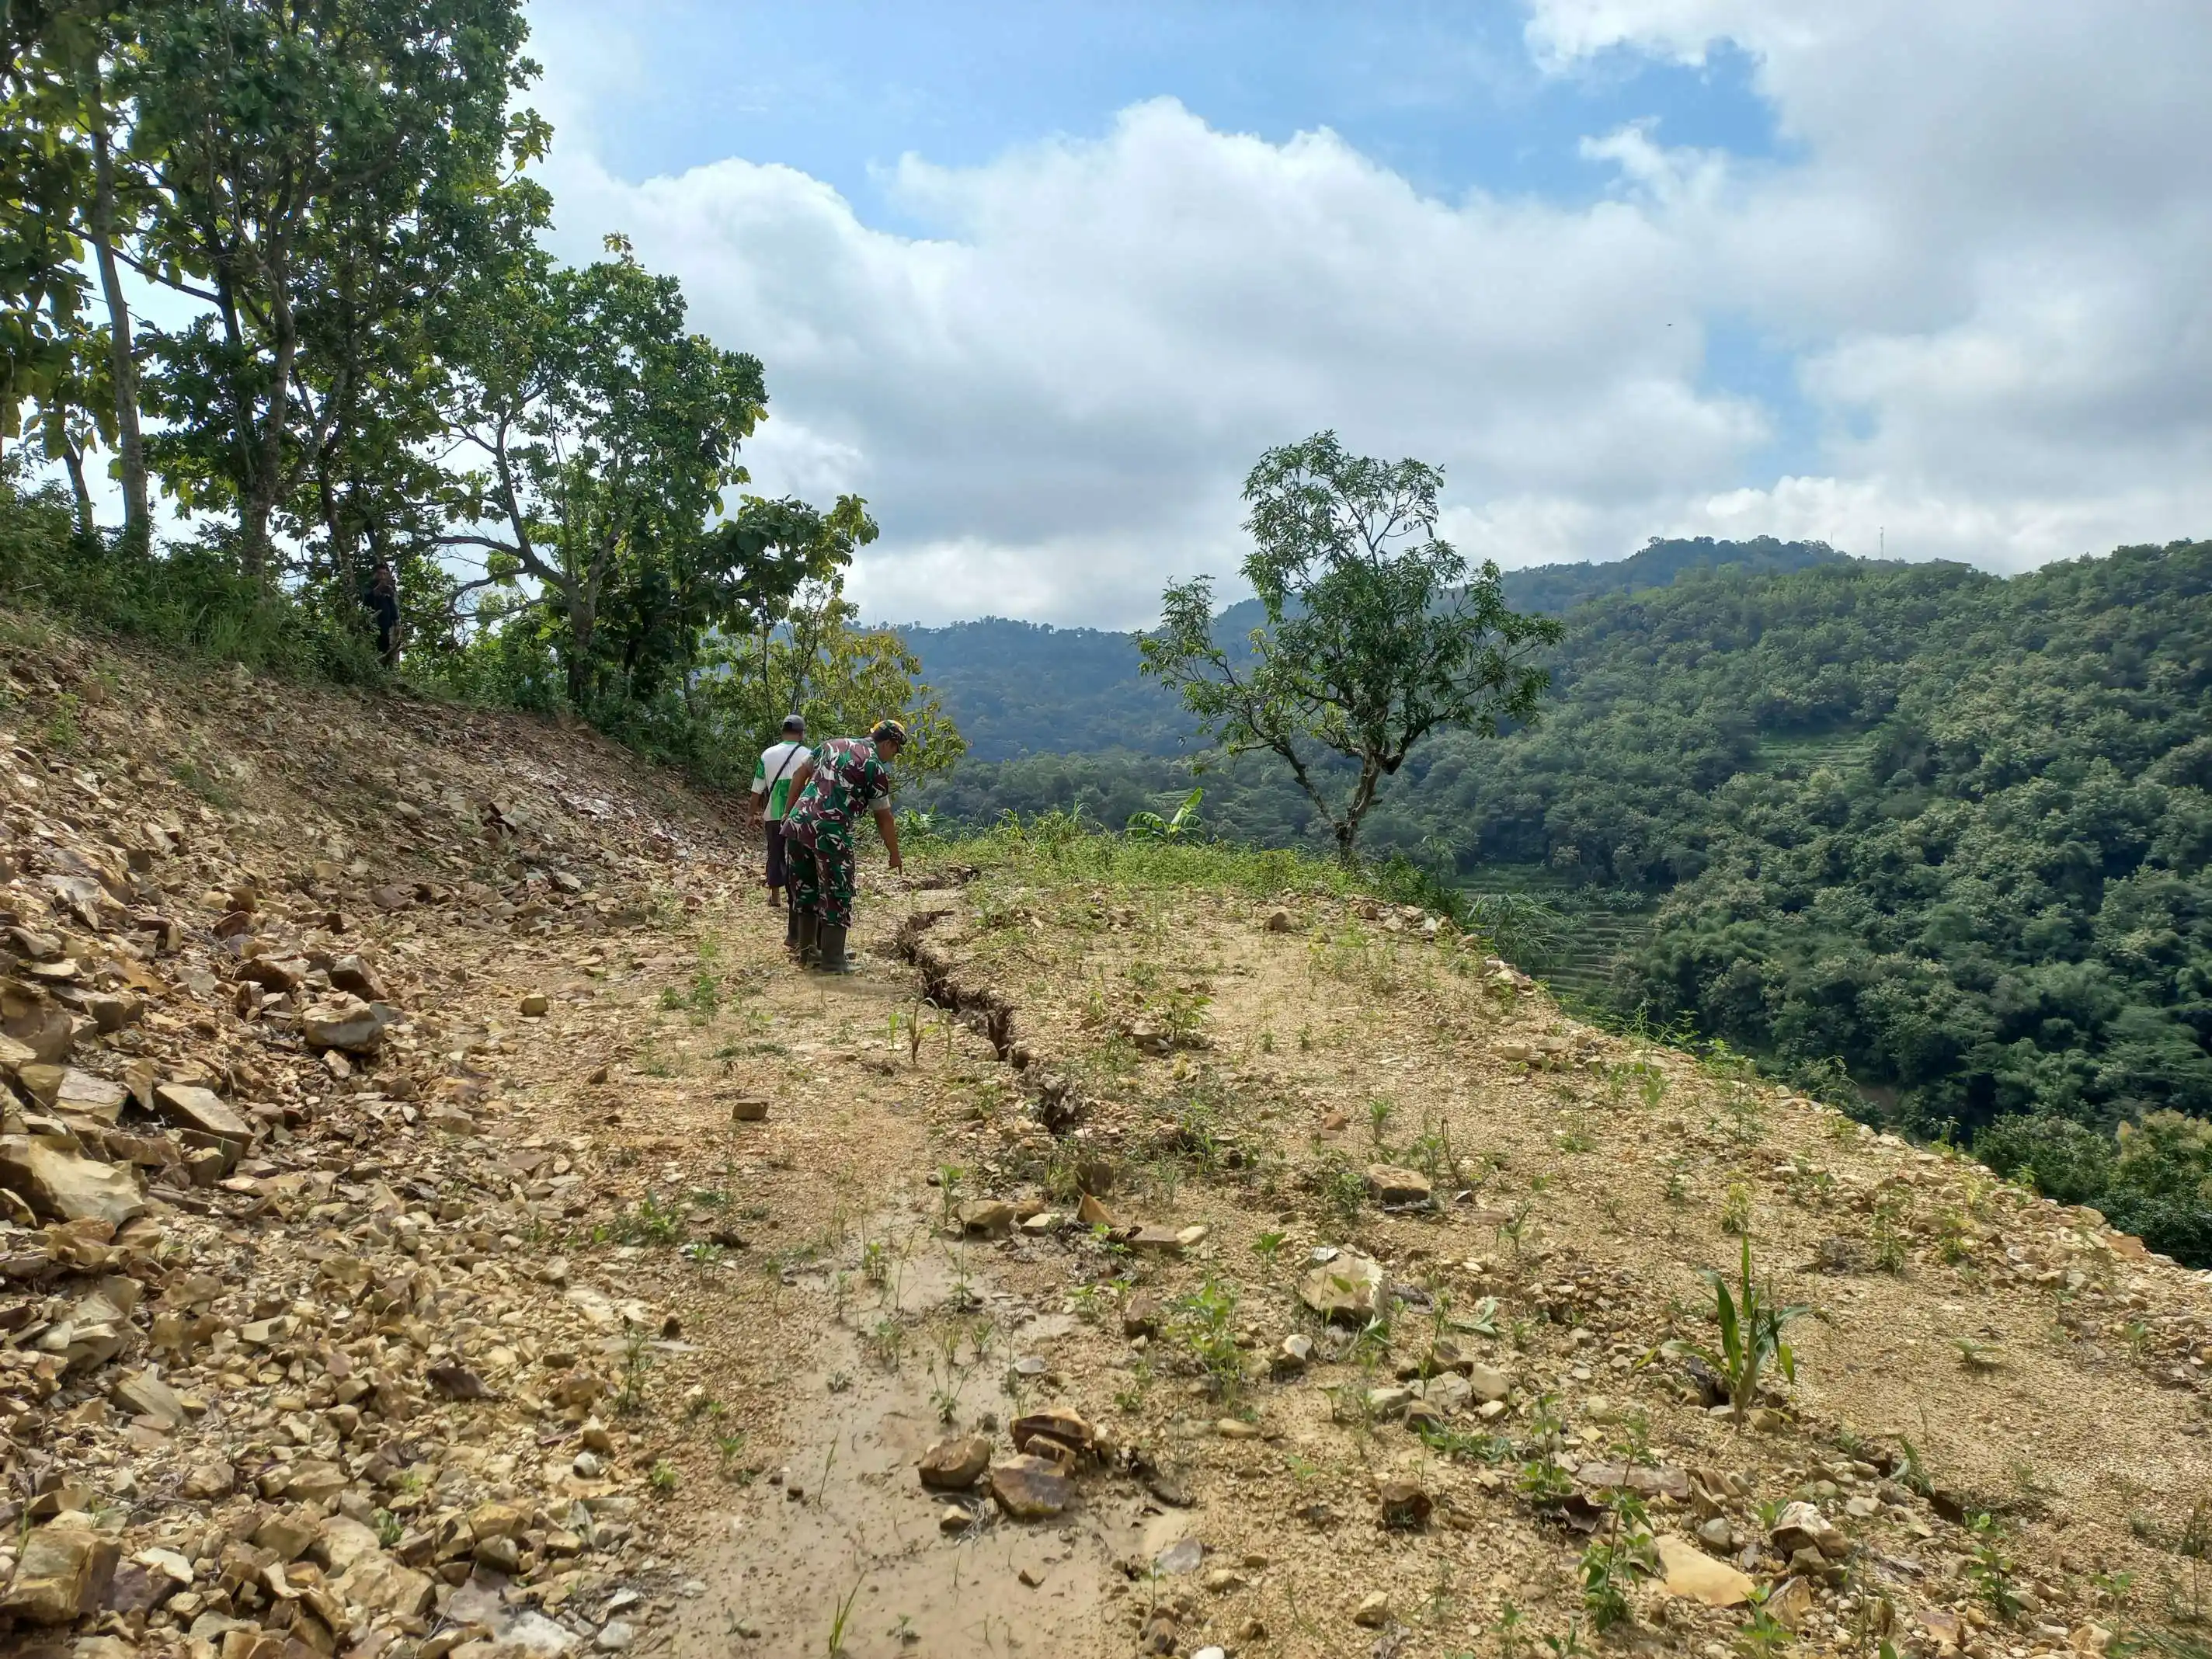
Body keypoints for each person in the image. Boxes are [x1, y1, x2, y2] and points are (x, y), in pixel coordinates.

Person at [781, 718, 906, 973]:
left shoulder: (831, 745)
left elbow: (799, 774)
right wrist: (894, 854)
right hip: (831, 831)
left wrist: (787, 812)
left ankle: (808, 953)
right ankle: (833, 960)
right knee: (838, 891)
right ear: (889, 743)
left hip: (797, 824)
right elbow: (884, 817)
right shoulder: (874, 767)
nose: (893, 757)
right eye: (895, 750)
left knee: (805, 889)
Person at [749, 715, 811, 947]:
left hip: (773, 813)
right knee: (797, 857)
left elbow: (757, 788)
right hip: (799, 814)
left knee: (775, 852)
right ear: (801, 733)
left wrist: (751, 814)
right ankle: (796, 898)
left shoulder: (767, 754)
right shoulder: (809, 754)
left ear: (782, 731)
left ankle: (775, 896)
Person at [364, 559, 401, 667]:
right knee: (372, 648)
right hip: (372, 623)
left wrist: (396, 623)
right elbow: (368, 597)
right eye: (380, 573)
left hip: (386, 625)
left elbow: (393, 607)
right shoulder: (368, 585)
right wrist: (380, 587)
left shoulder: (388, 589)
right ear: (374, 574)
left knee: (385, 650)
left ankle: (383, 671)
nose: (383, 576)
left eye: (385, 574)